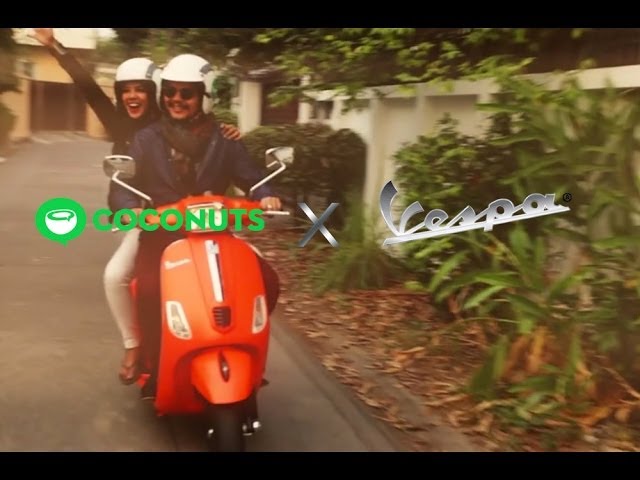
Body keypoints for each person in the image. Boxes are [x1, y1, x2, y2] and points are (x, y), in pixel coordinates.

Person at [30, 29, 244, 385]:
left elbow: (204, 126)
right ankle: (134, 345)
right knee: (119, 277)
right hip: (141, 218)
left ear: (155, 92)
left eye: (140, 89)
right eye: (125, 90)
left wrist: (226, 130)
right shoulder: (122, 124)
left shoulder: (173, 121)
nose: (132, 96)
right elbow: (88, 88)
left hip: (191, 218)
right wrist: (55, 47)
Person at [110, 53, 282, 399]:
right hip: (163, 234)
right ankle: (156, 366)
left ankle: (245, 353)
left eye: (186, 93)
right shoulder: (146, 139)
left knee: (267, 282)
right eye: (170, 92)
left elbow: (252, 178)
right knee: (150, 291)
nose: (176, 99)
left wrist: (266, 195)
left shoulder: (226, 139)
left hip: (215, 235)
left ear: (205, 97)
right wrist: (129, 210)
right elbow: (122, 186)